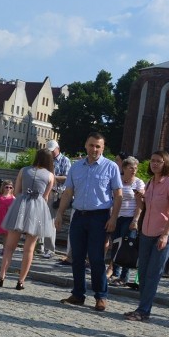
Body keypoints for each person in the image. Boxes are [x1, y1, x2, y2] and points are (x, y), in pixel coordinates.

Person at [55, 132, 123, 312]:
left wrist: (113, 218)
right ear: (86, 145)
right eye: (92, 145)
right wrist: (60, 213)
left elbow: (118, 196)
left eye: (98, 146)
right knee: (76, 257)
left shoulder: (111, 167)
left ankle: (101, 296)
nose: (94, 149)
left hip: (99, 217)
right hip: (79, 216)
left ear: (103, 148)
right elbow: (68, 192)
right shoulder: (76, 167)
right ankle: (78, 294)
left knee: (96, 258)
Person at [122, 151, 169, 322]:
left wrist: (165, 235)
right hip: (146, 232)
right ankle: (143, 307)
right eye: (152, 161)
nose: (155, 164)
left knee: (153, 274)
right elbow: (145, 206)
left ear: (166, 163)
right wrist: (139, 199)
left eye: (159, 161)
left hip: (162, 233)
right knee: (142, 271)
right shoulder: (150, 183)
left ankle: (143, 310)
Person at [0, 151, 55, 289]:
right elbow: (46, 197)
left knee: (9, 247)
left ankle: (1, 277)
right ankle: (21, 281)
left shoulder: (23, 170)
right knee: (29, 249)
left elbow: (16, 192)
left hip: (21, 206)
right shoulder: (50, 175)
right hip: (38, 209)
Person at [109, 156, 145, 286]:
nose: (134, 170)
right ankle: (115, 273)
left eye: (135, 168)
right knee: (116, 244)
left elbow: (140, 204)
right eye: (131, 168)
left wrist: (135, 220)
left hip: (129, 217)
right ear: (124, 168)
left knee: (126, 246)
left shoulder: (138, 183)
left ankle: (124, 276)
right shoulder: (117, 180)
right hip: (116, 216)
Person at [41, 139, 71, 259]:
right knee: (41, 219)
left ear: (57, 148)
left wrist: (53, 177)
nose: (51, 153)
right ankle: (40, 245)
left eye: (52, 151)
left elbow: (68, 177)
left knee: (50, 221)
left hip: (57, 193)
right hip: (44, 191)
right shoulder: (47, 159)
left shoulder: (65, 160)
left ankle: (49, 248)